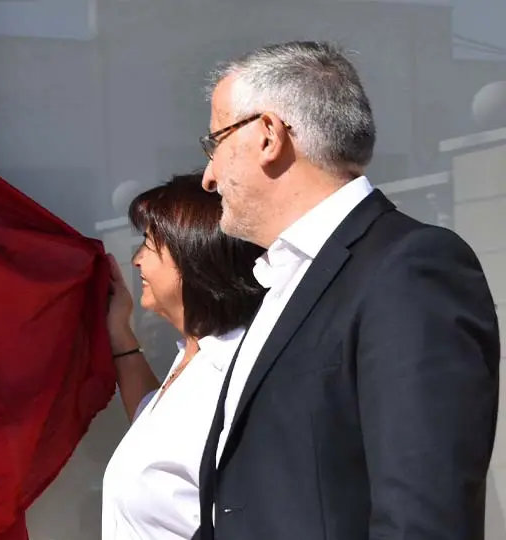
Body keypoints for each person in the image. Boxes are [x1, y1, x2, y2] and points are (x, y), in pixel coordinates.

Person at [194, 40, 501, 540]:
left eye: (216, 143)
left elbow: (423, 517)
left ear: (268, 135)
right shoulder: (284, 280)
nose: (208, 178)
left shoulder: (408, 267)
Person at [101, 173, 266, 539]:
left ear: (192, 258)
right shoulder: (196, 357)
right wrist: (121, 334)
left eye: (148, 245)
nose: (137, 261)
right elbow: (156, 428)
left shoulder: (237, 378)